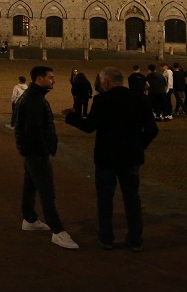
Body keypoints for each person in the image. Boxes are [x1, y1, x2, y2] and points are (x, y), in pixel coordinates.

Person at [63, 67, 158, 251]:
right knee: (132, 199)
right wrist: (140, 145)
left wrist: (71, 117)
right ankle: (135, 240)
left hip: (106, 158)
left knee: (105, 199)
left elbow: (89, 126)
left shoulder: (102, 100)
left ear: (106, 82)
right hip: (131, 157)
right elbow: (153, 130)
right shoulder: (140, 99)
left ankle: (107, 238)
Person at [13, 65, 78, 249]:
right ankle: (58, 231)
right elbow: (33, 130)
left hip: (31, 151)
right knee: (47, 191)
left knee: (30, 186)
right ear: (39, 79)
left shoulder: (34, 97)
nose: (53, 80)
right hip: (36, 152)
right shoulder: (34, 100)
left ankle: (30, 219)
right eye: (50, 77)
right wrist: (44, 150)